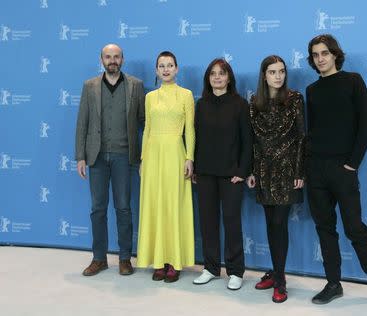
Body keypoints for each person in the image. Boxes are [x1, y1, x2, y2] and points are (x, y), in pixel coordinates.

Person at [305, 34, 367, 311]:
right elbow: (313, 131)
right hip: (316, 170)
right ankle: (334, 283)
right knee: (325, 228)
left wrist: (352, 165)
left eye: (325, 53)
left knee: (355, 229)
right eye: (315, 54)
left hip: (343, 169)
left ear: (335, 55)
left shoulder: (353, 81)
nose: (320, 58)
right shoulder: (312, 90)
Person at [75, 43, 145, 276]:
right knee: (98, 209)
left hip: (124, 156)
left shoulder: (135, 85)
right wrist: (80, 156)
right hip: (96, 157)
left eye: (116, 57)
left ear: (123, 59)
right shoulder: (89, 86)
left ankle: (125, 258)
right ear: (101, 60)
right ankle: (99, 258)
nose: (112, 60)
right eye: (108, 57)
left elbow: (145, 122)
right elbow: (82, 123)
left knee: (124, 208)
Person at [247, 55, 305, 303]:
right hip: (263, 171)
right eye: (273, 72)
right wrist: (251, 171)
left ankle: (280, 280)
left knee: (280, 224)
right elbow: (252, 141)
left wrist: (300, 172)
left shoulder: (295, 99)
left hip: (286, 172)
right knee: (271, 224)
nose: (278, 76)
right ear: (264, 75)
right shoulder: (254, 102)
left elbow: (302, 136)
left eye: (281, 71)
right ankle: (275, 270)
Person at [192, 58, 252, 290]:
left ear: (229, 77)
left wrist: (242, 170)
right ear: (208, 78)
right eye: (213, 74)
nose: (217, 77)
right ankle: (211, 267)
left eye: (222, 73)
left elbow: (248, 142)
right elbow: (196, 139)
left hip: (231, 175)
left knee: (232, 222)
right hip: (205, 173)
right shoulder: (202, 104)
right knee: (207, 223)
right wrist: (196, 167)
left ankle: (236, 271)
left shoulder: (240, 104)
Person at [137, 51, 195, 283]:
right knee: (155, 206)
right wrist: (143, 159)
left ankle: (174, 261)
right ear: (156, 70)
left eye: (170, 65)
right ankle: (158, 260)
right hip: (153, 156)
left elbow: (190, 129)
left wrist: (189, 157)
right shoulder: (150, 97)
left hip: (175, 154)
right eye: (161, 66)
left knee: (174, 205)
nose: (166, 69)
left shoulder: (186, 95)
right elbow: (147, 129)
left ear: (177, 68)